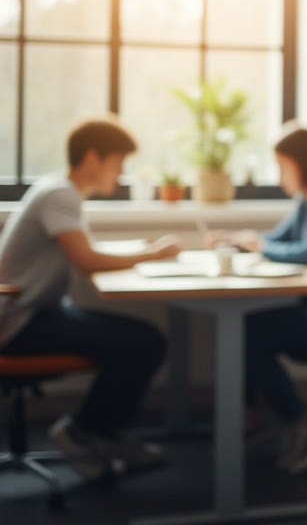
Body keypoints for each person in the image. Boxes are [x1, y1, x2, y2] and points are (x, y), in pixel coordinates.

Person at [0, 117, 180, 479]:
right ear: (93, 158)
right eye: (117, 163)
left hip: (31, 313)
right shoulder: (61, 195)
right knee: (144, 341)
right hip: (18, 323)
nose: (120, 173)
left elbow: (86, 249)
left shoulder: (58, 191)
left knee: (138, 339)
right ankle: (85, 432)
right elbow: (86, 260)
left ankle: (99, 434)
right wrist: (152, 255)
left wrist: (139, 249)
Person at [208, 123, 307, 474]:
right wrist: (240, 241)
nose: (279, 175)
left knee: (248, 333)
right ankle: (259, 419)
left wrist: (262, 246)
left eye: (282, 166)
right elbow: (277, 240)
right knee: (245, 327)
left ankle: (296, 424)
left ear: (303, 163)